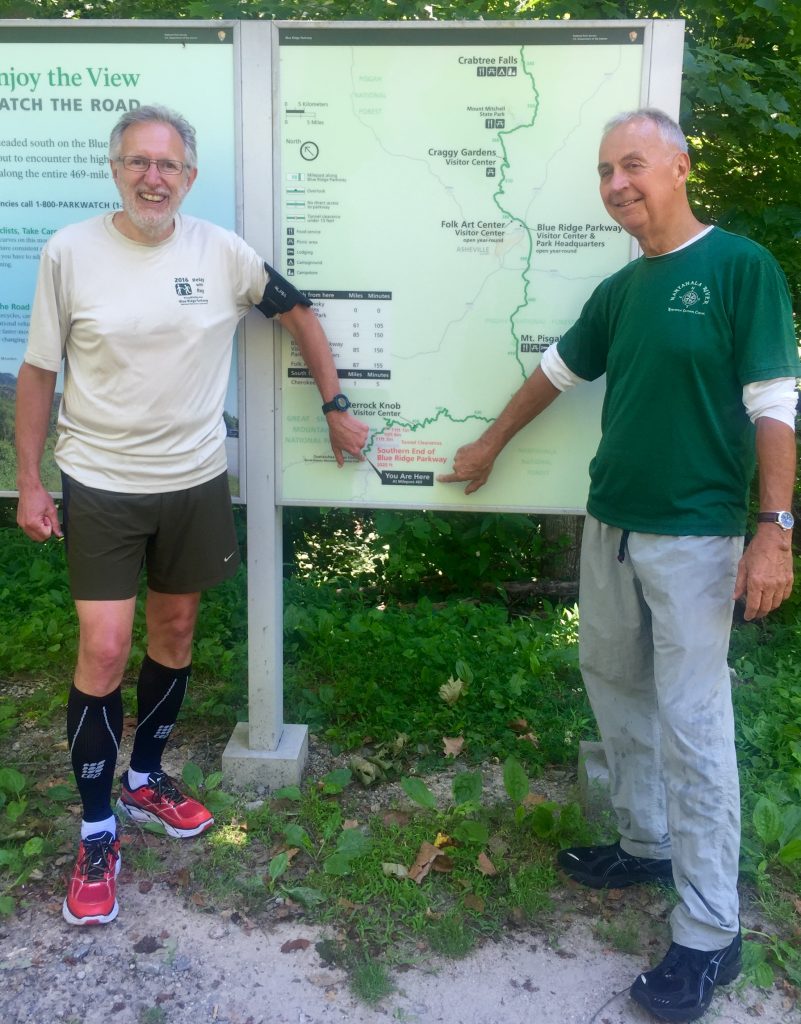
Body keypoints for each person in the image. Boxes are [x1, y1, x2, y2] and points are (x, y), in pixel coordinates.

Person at [439, 108, 799, 1023]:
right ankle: (644, 844)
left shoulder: (738, 267)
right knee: (613, 687)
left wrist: (774, 527)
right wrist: (487, 444)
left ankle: (711, 935)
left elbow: (773, 404)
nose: (615, 186)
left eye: (631, 165)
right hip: (611, 525)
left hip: (696, 538)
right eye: (604, 171)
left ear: (679, 166)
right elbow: (557, 374)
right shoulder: (623, 287)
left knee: (692, 723)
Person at [15, 105, 368, 927]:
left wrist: (334, 402)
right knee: (102, 650)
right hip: (100, 482)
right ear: (115, 170)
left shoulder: (222, 252)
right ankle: (97, 828)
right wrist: (30, 480)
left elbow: (299, 312)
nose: (153, 177)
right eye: (137, 162)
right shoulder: (70, 253)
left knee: (174, 638)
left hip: (196, 482)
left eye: (167, 165)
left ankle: (145, 780)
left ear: (190, 176)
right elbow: (38, 372)